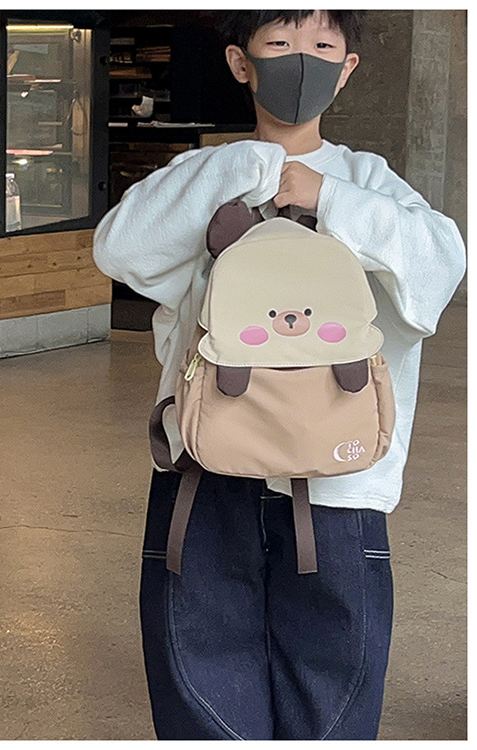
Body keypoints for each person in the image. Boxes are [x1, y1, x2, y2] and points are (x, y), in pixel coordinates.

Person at [92, 10, 466, 741]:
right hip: (207, 467)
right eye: (281, 43)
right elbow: (121, 248)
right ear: (242, 63)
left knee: (334, 688)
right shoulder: (205, 174)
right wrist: (249, 168)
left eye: (323, 46)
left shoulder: (369, 180)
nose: (303, 60)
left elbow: (441, 263)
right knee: (200, 684)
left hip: (339, 478)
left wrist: (329, 198)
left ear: (347, 68)